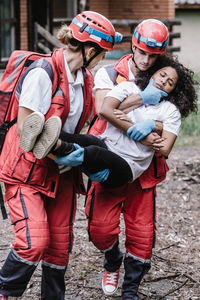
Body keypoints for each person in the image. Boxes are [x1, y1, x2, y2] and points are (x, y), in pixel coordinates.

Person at [0, 11, 121, 300]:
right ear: (91, 50)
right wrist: (64, 155)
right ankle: (4, 290)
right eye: (103, 52)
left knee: (58, 247)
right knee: (33, 241)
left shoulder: (86, 81)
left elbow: (79, 129)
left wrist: (86, 158)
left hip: (61, 174)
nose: (103, 58)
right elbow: (27, 131)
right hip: (26, 170)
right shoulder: (43, 73)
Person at [83, 19, 198, 300]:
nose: (146, 61)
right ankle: (112, 260)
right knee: (100, 230)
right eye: (142, 52)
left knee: (143, 235)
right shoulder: (110, 74)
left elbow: (170, 123)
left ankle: (131, 290)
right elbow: (102, 109)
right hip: (111, 160)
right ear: (133, 45)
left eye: (152, 55)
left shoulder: (165, 76)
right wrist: (141, 110)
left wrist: (155, 128)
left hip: (144, 172)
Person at [18, 61, 192, 191]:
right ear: (154, 73)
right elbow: (105, 110)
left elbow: (165, 148)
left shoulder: (170, 111)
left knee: (94, 152)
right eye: (162, 75)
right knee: (81, 139)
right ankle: (37, 134)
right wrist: (139, 120)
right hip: (107, 145)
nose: (164, 82)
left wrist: (148, 124)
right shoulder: (128, 87)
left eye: (170, 83)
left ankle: (56, 148)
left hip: (127, 167)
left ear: (173, 91)